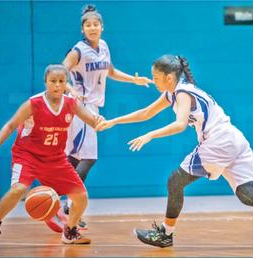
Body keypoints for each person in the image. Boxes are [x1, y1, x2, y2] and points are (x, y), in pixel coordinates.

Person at [96, 54, 253, 248]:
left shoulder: (182, 92)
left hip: (218, 142)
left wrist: (150, 135)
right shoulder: (173, 93)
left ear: (168, 77)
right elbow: (145, 113)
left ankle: (166, 233)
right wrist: (113, 121)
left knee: (175, 181)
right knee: (247, 194)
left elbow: (180, 125)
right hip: (234, 139)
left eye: (155, 78)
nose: (153, 81)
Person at [0, 64, 105, 245]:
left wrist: (102, 121)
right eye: (53, 81)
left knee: (81, 196)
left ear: (66, 83)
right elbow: (10, 125)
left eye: (61, 81)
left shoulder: (71, 104)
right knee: (19, 190)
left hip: (55, 158)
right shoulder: (33, 103)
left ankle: (70, 230)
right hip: (27, 155)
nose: (57, 85)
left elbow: (93, 121)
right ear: (45, 82)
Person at [59, 4, 153, 229]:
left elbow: (110, 71)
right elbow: (60, 71)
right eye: (88, 25)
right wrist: (70, 90)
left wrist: (134, 80)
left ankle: (59, 199)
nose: (92, 27)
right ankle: (68, 205)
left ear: (102, 27)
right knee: (87, 158)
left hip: (93, 108)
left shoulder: (103, 47)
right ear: (83, 29)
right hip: (81, 107)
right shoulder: (78, 50)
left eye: (95, 24)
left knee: (73, 157)